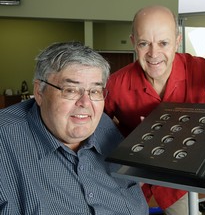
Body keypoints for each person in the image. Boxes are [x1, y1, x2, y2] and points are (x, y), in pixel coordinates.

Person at [104, 5, 205, 215]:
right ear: (134, 42)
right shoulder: (115, 83)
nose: (154, 54)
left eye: (163, 43)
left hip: (180, 181)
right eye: (144, 43)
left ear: (177, 41)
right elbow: (93, 128)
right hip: (131, 179)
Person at [0, 41, 149, 214]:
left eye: (95, 91)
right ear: (40, 92)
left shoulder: (103, 124)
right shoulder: (5, 140)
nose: (85, 103)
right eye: (70, 90)